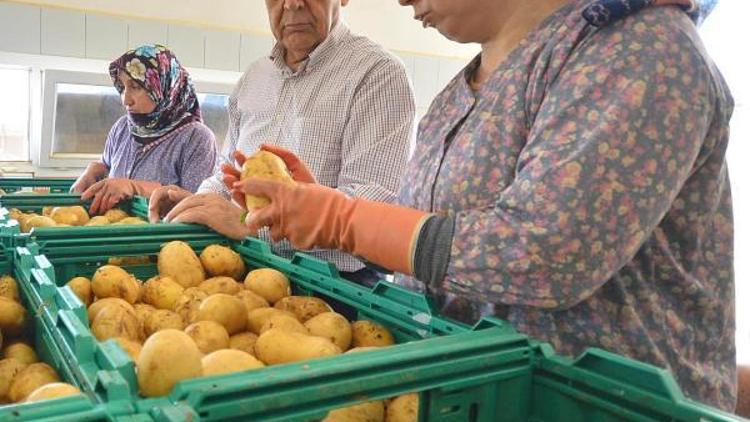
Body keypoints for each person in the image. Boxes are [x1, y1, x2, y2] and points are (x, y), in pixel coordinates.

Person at [228, 0, 737, 412]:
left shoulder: (641, 52)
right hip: (474, 389)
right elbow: (437, 250)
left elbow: (541, 255)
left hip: (599, 403)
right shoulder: (463, 89)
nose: (400, 0)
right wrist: (321, 208)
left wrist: (343, 220)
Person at [149, 0, 414, 287]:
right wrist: (198, 202)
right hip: (247, 268)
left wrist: (246, 223)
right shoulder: (254, 77)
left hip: (337, 285)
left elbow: (374, 205)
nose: (292, 4)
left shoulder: (377, 73)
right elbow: (227, 173)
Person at [71, 44, 217, 215]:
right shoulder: (122, 128)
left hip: (166, 240)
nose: (126, 100)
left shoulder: (196, 138)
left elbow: (198, 204)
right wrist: (96, 169)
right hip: (115, 232)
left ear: (163, 86)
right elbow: (109, 166)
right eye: (122, 87)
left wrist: (135, 187)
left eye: (135, 87)